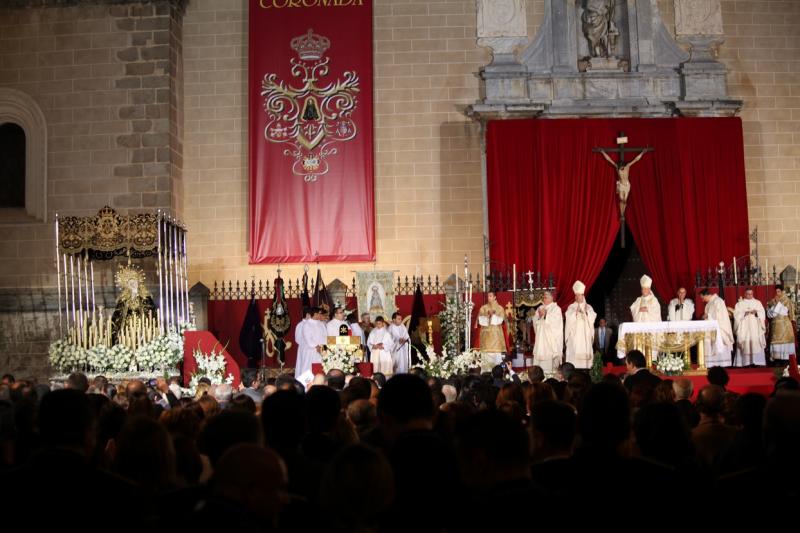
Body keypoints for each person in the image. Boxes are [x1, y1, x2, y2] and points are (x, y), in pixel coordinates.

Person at [565, 281, 597, 369]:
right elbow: (568, 317)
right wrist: (576, 312)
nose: (577, 297)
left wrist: (586, 312)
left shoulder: (589, 307)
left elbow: (593, 317)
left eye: (579, 295)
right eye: (576, 295)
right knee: (574, 360)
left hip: (585, 336)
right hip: (575, 337)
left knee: (586, 362)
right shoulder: (571, 307)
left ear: (583, 296)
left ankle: (586, 369)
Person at [532, 291, 563, 375]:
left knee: (549, 362)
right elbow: (534, 320)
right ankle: (537, 375)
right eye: (544, 297)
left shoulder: (556, 308)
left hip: (549, 340)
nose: (544, 299)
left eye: (546, 297)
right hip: (540, 339)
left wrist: (546, 315)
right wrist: (538, 316)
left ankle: (549, 374)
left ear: (551, 298)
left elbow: (556, 322)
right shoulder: (540, 307)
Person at [733, 288, 766, 367]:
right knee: (745, 341)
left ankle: (757, 362)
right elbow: (736, 314)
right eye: (748, 294)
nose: (749, 295)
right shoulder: (740, 304)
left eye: (751, 294)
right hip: (744, 327)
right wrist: (744, 313)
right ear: (745, 294)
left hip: (755, 326)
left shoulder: (757, 302)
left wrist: (756, 313)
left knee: (756, 341)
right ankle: (745, 362)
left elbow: (762, 313)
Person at [700, 289, 733, 367]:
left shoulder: (718, 301)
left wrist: (708, 315)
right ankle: (711, 364)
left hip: (719, 328)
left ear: (707, 295)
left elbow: (720, 315)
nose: (702, 300)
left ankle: (722, 363)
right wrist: (706, 316)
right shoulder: (709, 303)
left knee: (719, 343)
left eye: (702, 298)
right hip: (710, 328)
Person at [477, 291, 507, 370]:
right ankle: (486, 374)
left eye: (490, 296)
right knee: (486, 357)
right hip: (486, 337)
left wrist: (493, 315)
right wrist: (487, 315)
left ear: (494, 297)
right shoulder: (483, 308)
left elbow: (500, 320)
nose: (489, 298)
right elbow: (480, 321)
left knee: (497, 357)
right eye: (488, 296)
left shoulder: (500, 308)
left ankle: (498, 373)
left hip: (496, 336)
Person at [767, 284, 796, 364]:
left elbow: (784, 312)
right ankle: (777, 359)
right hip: (775, 325)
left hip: (784, 325)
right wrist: (775, 304)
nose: (777, 293)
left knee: (785, 342)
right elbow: (770, 314)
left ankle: (786, 360)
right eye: (776, 291)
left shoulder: (786, 300)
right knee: (776, 342)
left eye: (779, 291)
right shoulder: (772, 301)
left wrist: (777, 304)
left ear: (782, 291)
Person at [300, 307, 327, 377]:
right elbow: (308, 338)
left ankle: (320, 383)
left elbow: (325, 336)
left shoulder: (321, 324)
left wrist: (324, 347)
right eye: (319, 314)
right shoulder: (307, 324)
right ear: (315, 314)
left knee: (321, 369)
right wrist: (316, 346)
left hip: (322, 350)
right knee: (309, 369)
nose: (321, 315)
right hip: (311, 351)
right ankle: (307, 387)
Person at [293, 307, 312, 377]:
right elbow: (297, 339)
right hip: (304, 349)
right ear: (307, 315)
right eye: (312, 314)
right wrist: (306, 344)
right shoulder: (300, 325)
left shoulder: (311, 324)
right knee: (303, 365)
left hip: (311, 350)